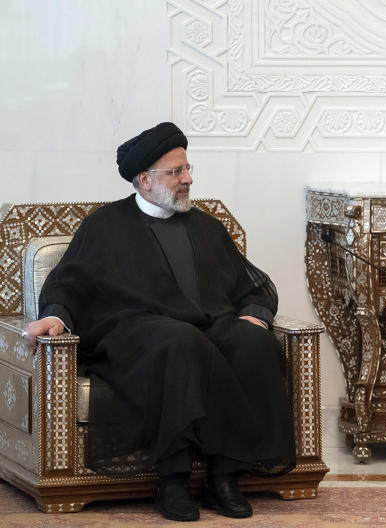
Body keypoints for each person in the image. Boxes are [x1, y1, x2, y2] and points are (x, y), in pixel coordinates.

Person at [23, 122, 295, 522]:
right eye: (175, 172)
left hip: (206, 325)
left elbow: (248, 283)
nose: (188, 179)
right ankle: (173, 478)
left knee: (254, 343)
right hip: (137, 332)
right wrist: (56, 316)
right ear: (144, 180)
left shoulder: (206, 226)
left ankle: (224, 477)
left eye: (187, 169)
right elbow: (70, 283)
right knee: (180, 342)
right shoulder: (105, 226)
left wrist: (255, 313)